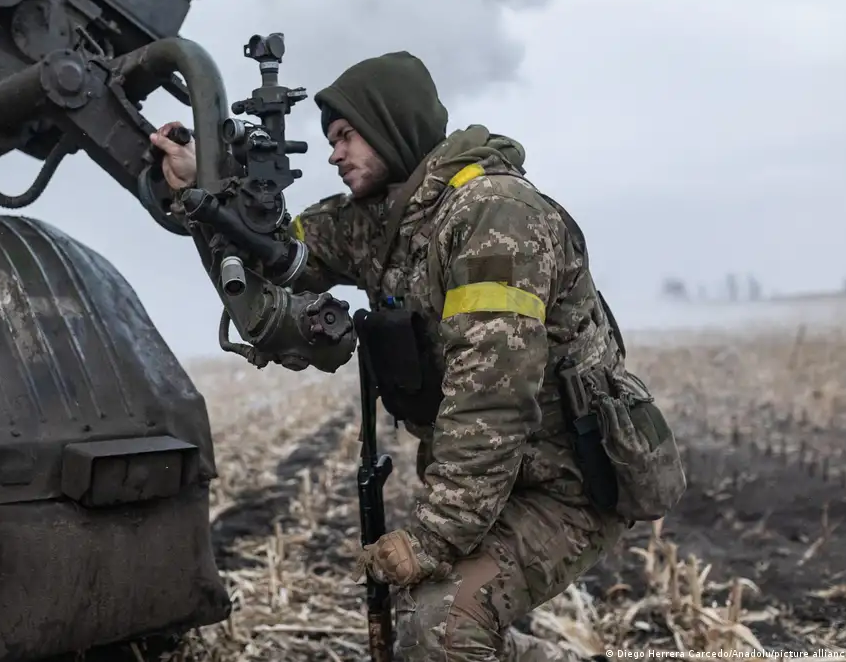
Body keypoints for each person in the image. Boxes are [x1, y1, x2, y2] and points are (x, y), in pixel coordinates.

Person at [149, 51, 685, 662]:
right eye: (330, 141)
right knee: (433, 619)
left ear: (391, 127)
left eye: (346, 136)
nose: (333, 155)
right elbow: (270, 249)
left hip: (567, 484)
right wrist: (201, 183)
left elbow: (492, 400)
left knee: (440, 624)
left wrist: (433, 539)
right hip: (500, 476)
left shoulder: (494, 214)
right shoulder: (384, 219)